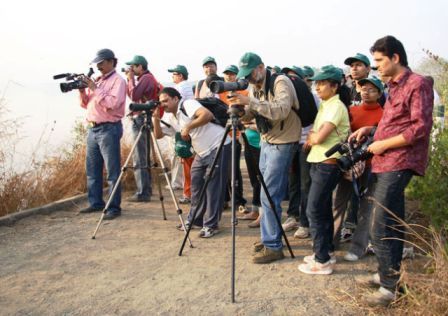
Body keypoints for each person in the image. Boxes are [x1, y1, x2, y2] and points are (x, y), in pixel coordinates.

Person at [352, 36, 433, 306]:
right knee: (392, 222)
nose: (375, 67)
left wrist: (383, 143)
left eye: (379, 61)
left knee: (380, 223)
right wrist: (371, 131)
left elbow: (419, 128)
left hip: (401, 160)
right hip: (385, 160)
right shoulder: (394, 87)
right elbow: (395, 124)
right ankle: (388, 274)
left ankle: (390, 291)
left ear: (395, 57)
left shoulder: (417, 84)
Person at [229, 52, 301, 264]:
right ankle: (270, 237)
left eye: (250, 73)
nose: (248, 78)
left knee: (271, 194)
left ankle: (273, 246)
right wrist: (239, 110)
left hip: (283, 142)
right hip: (266, 140)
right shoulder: (255, 87)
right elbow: (253, 112)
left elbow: (281, 110)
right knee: (264, 193)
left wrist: (249, 100)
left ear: (261, 67)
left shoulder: (280, 81)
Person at [153, 87, 231, 238]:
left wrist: (187, 127)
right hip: (201, 152)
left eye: (166, 101)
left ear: (176, 98)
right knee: (195, 185)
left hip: (218, 145)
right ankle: (196, 219)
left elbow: (207, 115)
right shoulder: (170, 117)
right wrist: (155, 118)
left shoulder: (187, 104)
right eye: (161, 102)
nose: (163, 104)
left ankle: (211, 225)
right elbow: (158, 135)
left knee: (213, 187)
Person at [297, 65, 350, 275]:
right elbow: (313, 133)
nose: (317, 87)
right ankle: (326, 251)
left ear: (334, 86)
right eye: (316, 83)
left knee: (314, 210)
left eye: (322, 83)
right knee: (323, 209)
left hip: (328, 164)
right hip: (319, 162)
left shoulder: (336, 107)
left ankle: (322, 261)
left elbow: (317, 137)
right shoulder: (326, 105)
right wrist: (313, 136)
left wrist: (313, 137)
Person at [331, 76, 384, 258]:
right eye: (363, 88)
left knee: (366, 207)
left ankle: (358, 247)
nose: (366, 92)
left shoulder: (384, 115)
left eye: (371, 89)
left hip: (371, 166)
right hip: (348, 164)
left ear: (379, 93)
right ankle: (331, 241)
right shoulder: (351, 111)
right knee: (339, 202)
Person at [78, 48, 126, 220]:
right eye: (97, 63)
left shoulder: (118, 81)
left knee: (112, 171)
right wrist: (82, 90)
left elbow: (112, 104)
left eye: (101, 63)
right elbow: (86, 105)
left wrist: (94, 88)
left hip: (109, 128)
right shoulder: (98, 80)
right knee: (92, 169)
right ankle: (95, 202)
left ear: (111, 62)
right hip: (93, 128)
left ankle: (113, 207)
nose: (98, 66)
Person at [125, 55, 159, 202]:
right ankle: (146, 190)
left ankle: (143, 192)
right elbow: (133, 95)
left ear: (140, 66)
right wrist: (130, 79)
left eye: (133, 67)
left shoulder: (146, 78)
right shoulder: (147, 78)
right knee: (143, 155)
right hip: (143, 117)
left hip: (141, 119)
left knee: (139, 156)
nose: (131, 70)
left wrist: (130, 79)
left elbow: (133, 95)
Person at [219, 65, 249, 215]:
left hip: (235, 134)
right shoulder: (220, 91)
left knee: (234, 170)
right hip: (222, 134)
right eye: (227, 74)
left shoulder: (244, 91)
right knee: (221, 169)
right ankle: (224, 199)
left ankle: (238, 201)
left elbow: (246, 112)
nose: (229, 77)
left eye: (232, 74)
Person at [168, 64, 195, 203]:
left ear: (180, 75)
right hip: (189, 124)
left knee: (186, 160)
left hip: (184, 124)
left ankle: (188, 193)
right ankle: (189, 192)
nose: (172, 77)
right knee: (189, 161)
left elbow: (178, 106)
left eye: (174, 74)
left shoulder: (181, 87)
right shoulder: (189, 86)